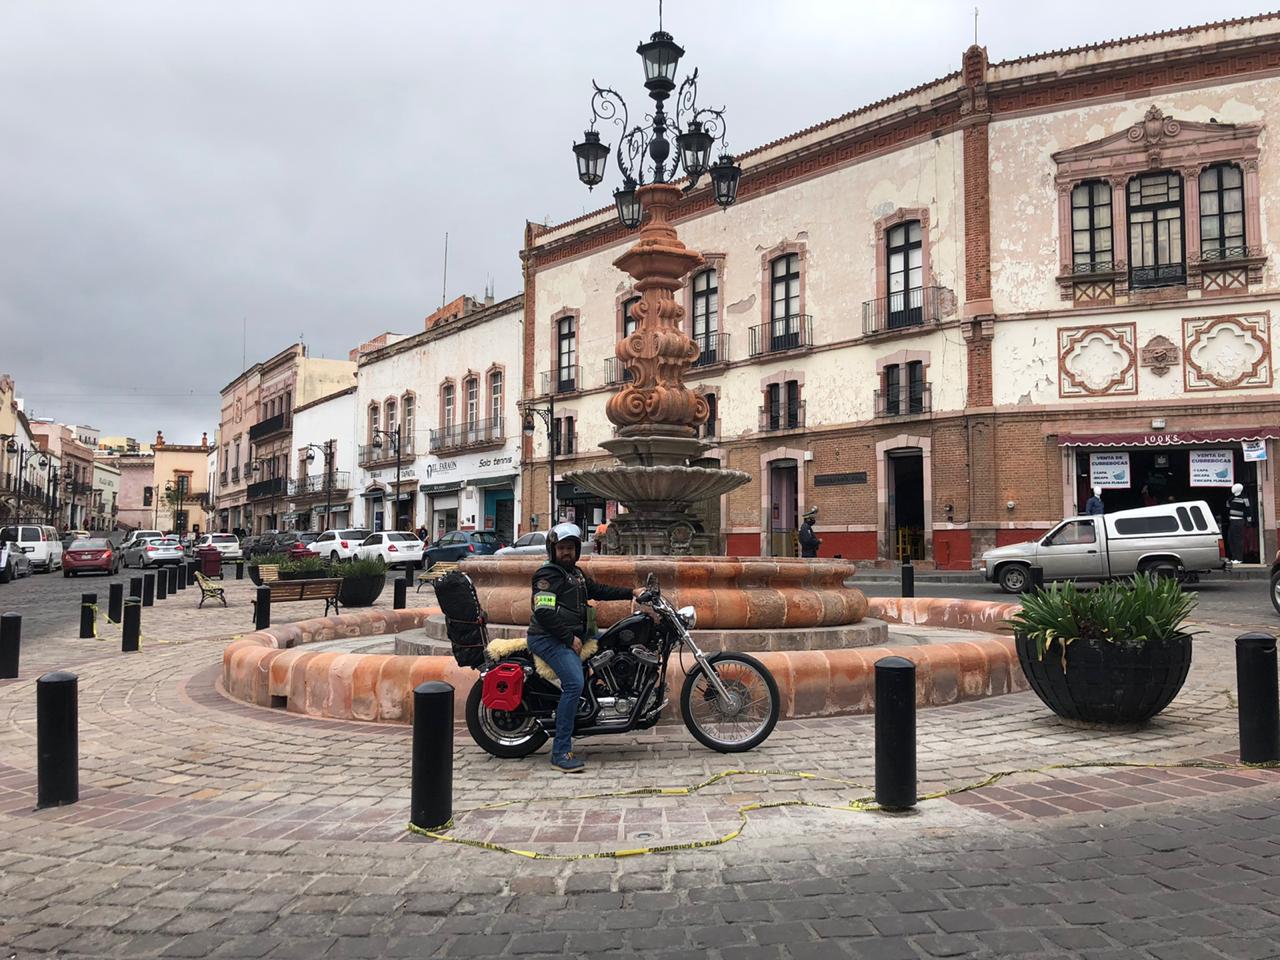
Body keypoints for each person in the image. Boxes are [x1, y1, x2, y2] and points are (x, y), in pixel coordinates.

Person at [527, 522, 643, 773]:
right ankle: (560, 752)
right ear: (553, 550)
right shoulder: (547, 576)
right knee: (573, 684)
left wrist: (633, 592)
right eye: (562, 548)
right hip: (548, 638)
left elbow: (599, 590)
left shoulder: (575, 574)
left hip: (572, 636)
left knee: (616, 646)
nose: (566, 552)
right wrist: (569, 639)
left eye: (571, 548)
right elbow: (544, 612)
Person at [1225, 482, 1253, 562]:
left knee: (1238, 540)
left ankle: (1239, 558)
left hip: (1239, 521)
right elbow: (1227, 508)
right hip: (1232, 521)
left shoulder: (1244, 498)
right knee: (1231, 539)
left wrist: (1249, 521)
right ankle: (1234, 557)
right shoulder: (1231, 498)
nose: (1232, 489)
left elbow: (1248, 510)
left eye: (1234, 487)